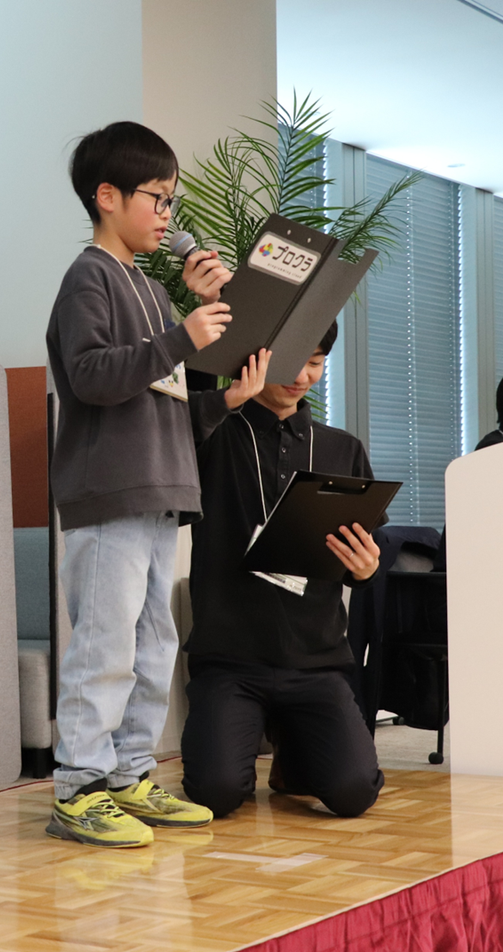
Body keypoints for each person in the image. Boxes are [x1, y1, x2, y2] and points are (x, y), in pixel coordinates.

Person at [45, 120, 269, 848]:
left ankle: (129, 776)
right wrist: (182, 336)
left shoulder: (149, 289)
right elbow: (91, 377)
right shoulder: (89, 277)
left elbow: (164, 405)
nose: (168, 214)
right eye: (157, 197)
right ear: (107, 196)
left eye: (172, 200)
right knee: (104, 646)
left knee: (151, 647)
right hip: (111, 491)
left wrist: (226, 399)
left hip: (159, 491)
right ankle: (78, 788)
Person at [180, 321, 386, 820]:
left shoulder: (342, 449)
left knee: (354, 793)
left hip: (316, 661)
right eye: (293, 360)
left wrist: (365, 569)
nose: (302, 376)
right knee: (215, 793)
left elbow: (360, 554)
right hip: (229, 659)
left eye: (315, 362)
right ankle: (264, 738)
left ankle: (294, 751)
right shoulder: (209, 436)